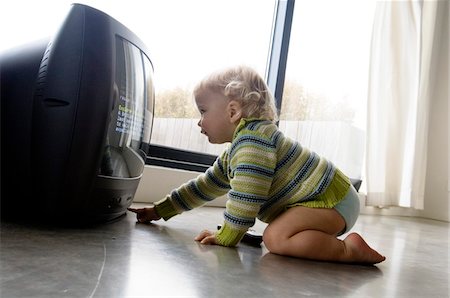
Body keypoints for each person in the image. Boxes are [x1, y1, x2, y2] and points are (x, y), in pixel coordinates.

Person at [128, 65, 386, 265]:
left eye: (203, 111)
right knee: (278, 235)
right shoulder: (239, 149)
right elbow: (203, 186)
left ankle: (347, 250)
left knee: (276, 238)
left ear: (232, 112)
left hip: (330, 199)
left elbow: (246, 198)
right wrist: (160, 210)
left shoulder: (253, 142)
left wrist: (229, 235)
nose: (199, 122)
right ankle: (318, 239)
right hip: (327, 198)